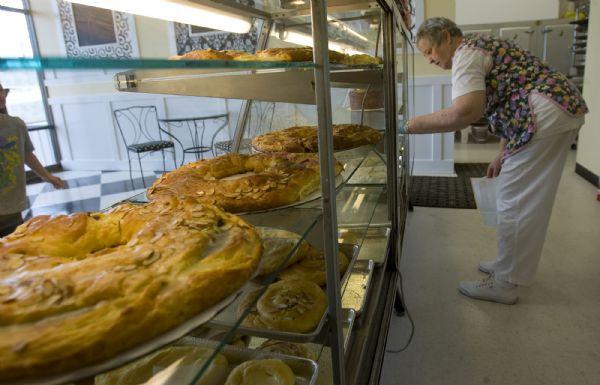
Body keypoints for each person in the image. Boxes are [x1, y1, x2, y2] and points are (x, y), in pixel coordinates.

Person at [405, 18, 588, 305]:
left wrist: (411, 125)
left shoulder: (466, 54)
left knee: (515, 200)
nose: (429, 60)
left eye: (429, 52)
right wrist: (501, 152)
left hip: (543, 114)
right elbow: (508, 97)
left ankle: (505, 283)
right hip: (555, 109)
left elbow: (464, 112)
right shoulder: (481, 44)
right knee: (519, 196)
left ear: (445, 36)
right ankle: (509, 267)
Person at [0, 82, 66, 237]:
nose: (0, 95)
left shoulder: (15, 124)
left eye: (1, 90)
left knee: (13, 249)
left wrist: (47, 176)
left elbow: (27, 154)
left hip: (12, 206)